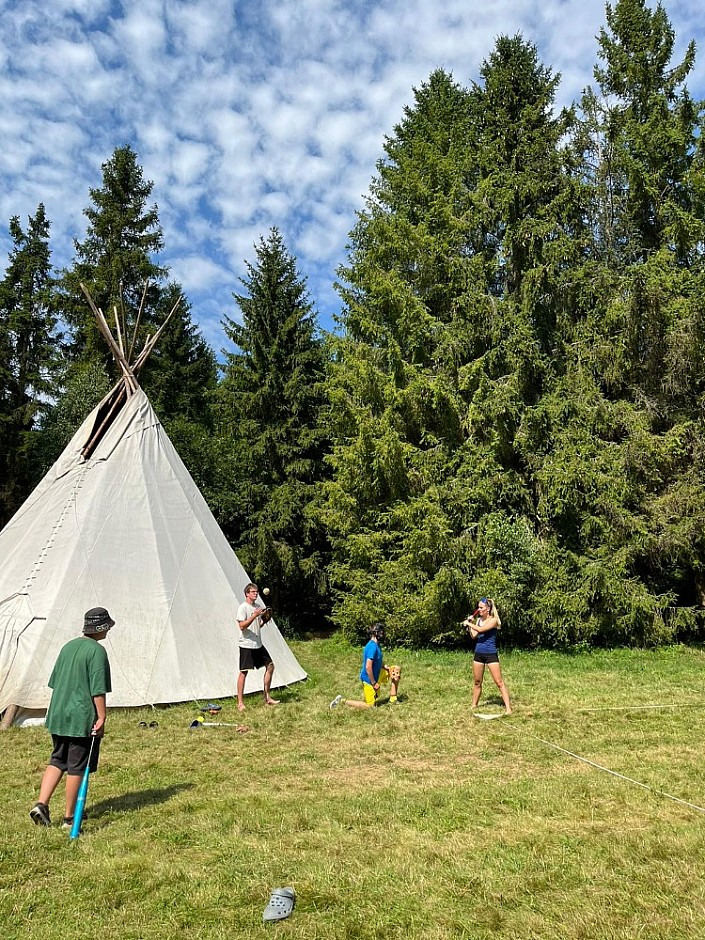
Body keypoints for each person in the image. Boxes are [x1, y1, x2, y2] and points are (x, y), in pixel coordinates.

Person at [30, 606, 114, 829]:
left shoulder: (68, 647)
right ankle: (69, 818)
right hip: (80, 717)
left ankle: (41, 804)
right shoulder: (96, 651)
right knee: (77, 765)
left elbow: (55, 681)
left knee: (57, 759)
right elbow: (98, 688)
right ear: (102, 627)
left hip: (59, 714)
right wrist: (102, 716)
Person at [330, 622, 400, 709]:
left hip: (377, 673)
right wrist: (373, 683)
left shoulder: (377, 645)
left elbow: (378, 661)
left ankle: (393, 699)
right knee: (370, 706)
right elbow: (368, 667)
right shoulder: (372, 647)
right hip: (369, 679)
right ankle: (341, 701)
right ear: (375, 633)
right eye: (381, 632)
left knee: (395, 669)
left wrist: (387, 668)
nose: (383, 634)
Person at [464, 597, 512, 714]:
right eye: (478, 607)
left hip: (490, 654)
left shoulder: (494, 620)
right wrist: (470, 624)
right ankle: (474, 706)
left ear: (488, 609)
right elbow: (474, 635)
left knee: (499, 682)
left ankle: (508, 709)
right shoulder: (479, 620)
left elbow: (481, 630)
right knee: (477, 682)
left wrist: (468, 623)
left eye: (481, 607)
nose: (478, 609)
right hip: (479, 653)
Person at [236, 583, 279, 711]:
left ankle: (267, 697)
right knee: (244, 672)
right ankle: (240, 703)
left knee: (270, 666)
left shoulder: (258, 607)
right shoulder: (243, 608)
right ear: (247, 594)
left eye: (257, 592)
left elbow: (256, 625)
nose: (256, 593)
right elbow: (242, 626)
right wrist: (254, 615)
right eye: (253, 592)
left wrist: (264, 620)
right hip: (246, 644)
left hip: (258, 644)